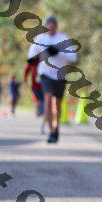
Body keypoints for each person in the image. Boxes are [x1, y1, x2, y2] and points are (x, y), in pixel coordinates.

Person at [27, 15, 77, 143]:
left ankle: (56, 128)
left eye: (53, 26)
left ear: (56, 26)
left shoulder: (63, 38)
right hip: (45, 74)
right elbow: (31, 58)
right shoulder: (40, 39)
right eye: (48, 26)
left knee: (57, 104)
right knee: (48, 100)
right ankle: (51, 131)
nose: (51, 28)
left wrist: (58, 51)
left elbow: (73, 57)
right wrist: (44, 53)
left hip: (60, 75)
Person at [24, 56, 45, 132]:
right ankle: (38, 111)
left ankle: (43, 123)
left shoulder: (46, 57)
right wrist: (25, 81)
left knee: (45, 103)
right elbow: (26, 70)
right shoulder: (33, 60)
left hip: (46, 85)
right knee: (38, 100)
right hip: (35, 86)